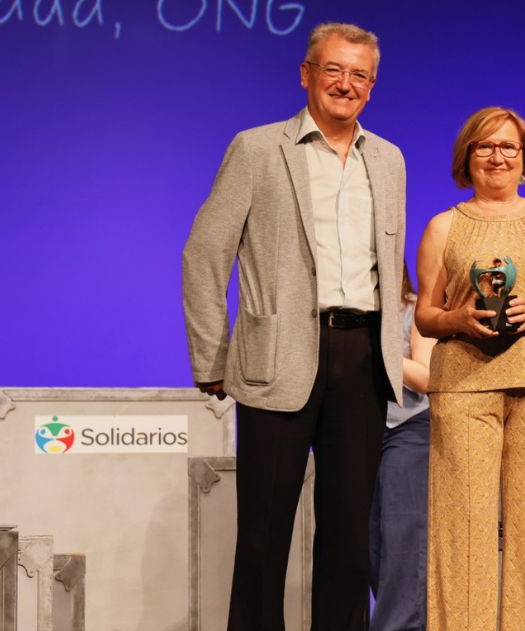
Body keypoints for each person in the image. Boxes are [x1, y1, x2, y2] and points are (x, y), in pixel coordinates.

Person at [181, 22, 405, 631]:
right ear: (306, 74)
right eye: (333, 70)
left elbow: (389, 268)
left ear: (372, 86)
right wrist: (211, 358)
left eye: (359, 75)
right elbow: (205, 253)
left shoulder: (388, 159)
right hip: (276, 356)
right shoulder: (257, 148)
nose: (346, 84)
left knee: (350, 542)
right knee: (262, 535)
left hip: (362, 358)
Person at [415, 106, 525, 631]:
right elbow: (426, 315)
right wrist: (458, 318)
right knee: (461, 532)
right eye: (484, 146)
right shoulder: (443, 226)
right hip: (464, 387)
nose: (497, 156)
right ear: (467, 158)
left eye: (508, 147)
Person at [369, 266, 436, 631]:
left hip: (408, 426)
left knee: (402, 535)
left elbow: (426, 377)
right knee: (369, 541)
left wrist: (376, 352)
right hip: (360, 430)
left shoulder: (412, 308)